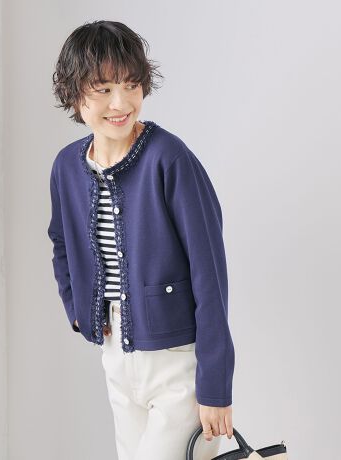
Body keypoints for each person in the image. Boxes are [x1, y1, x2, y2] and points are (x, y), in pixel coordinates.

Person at [48, 20, 235, 460]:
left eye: (131, 85)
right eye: (104, 89)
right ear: (75, 94)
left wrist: (215, 384)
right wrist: (78, 310)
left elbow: (209, 272)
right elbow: (60, 242)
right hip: (116, 357)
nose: (121, 103)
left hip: (178, 363)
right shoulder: (67, 167)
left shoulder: (169, 158)